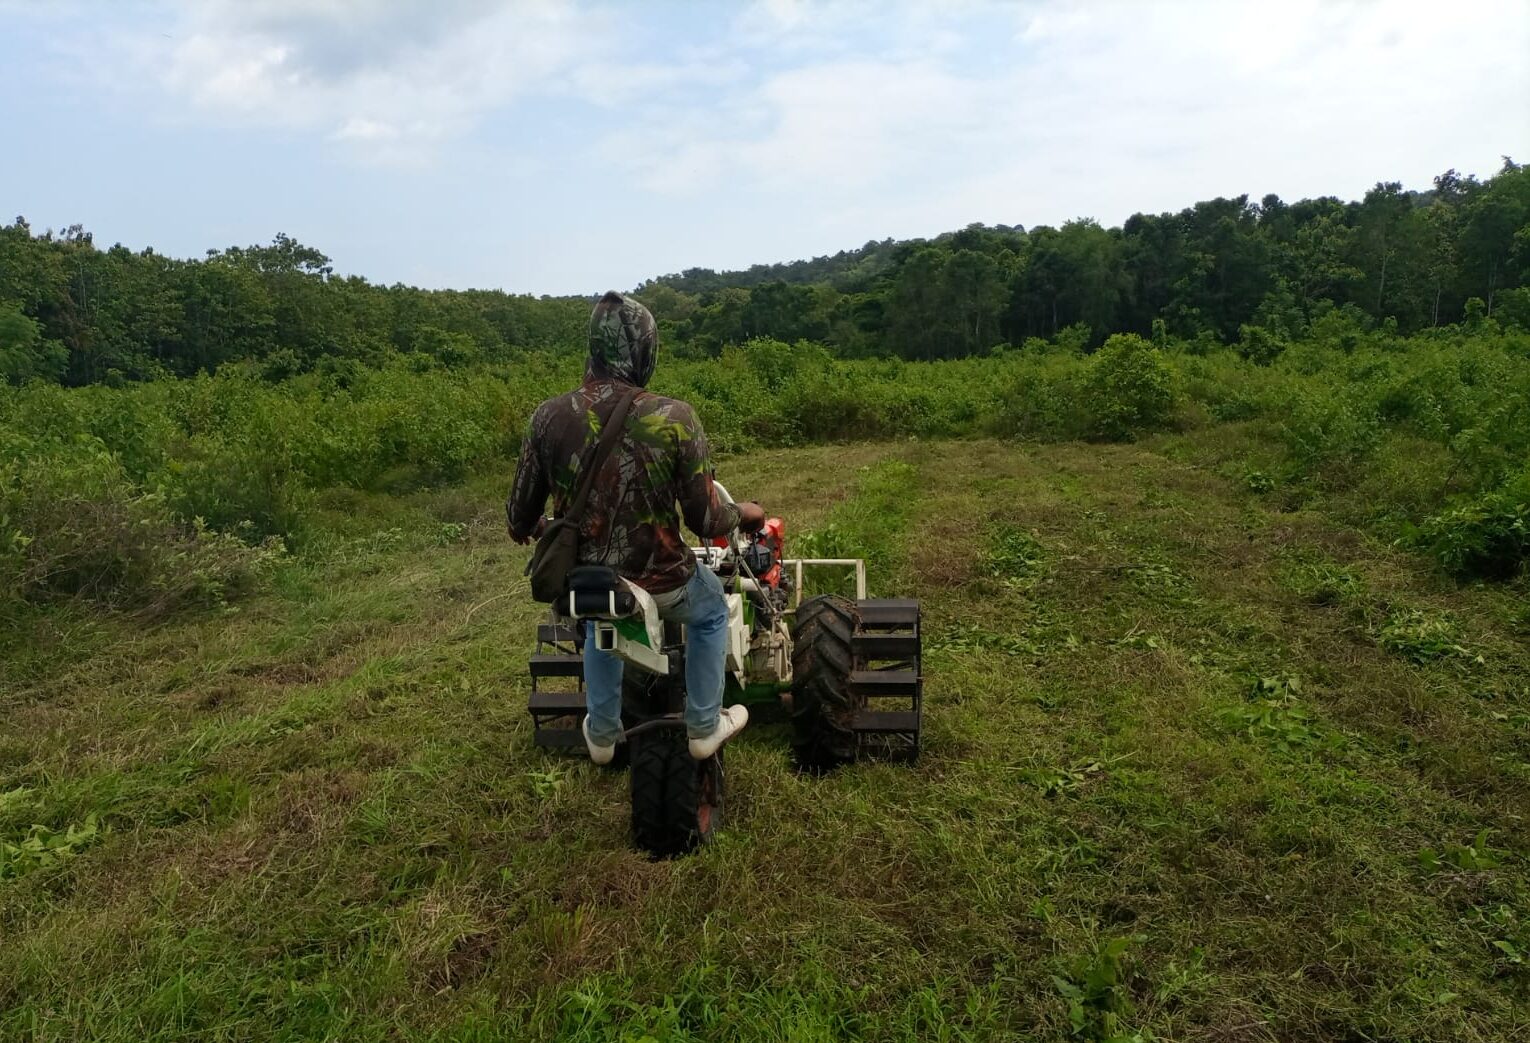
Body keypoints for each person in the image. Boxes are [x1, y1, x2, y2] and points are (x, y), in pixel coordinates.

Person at [507, 292, 765, 765]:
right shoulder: (674, 416)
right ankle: (705, 725)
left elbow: (518, 520)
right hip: (663, 580)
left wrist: (554, 525)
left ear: (592, 350)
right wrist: (744, 511)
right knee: (711, 611)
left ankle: (603, 734)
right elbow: (705, 521)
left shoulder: (547, 416)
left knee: (598, 617)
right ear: (646, 352)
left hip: (583, 581)